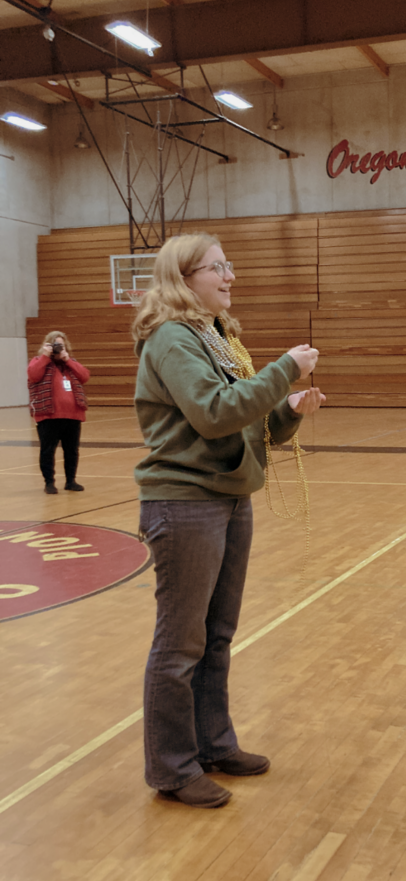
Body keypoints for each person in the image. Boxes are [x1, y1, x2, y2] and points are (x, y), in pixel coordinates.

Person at [132, 233, 324, 809]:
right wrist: (285, 370)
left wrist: (285, 411)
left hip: (228, 495)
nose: (230, 276)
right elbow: (215, 415)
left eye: (228, 265)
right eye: (217, 267)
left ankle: (213, 744)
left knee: (216, 636)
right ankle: (171, 768)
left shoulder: (216, 337)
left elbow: (245, 420)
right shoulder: (171, 339)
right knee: (181, 641)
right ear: (184, 277)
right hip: (185, 501)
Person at [28, 330, 91, 494]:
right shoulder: (38, 361)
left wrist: (67, 359)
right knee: (47, 450)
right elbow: (33, 375)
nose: (58, 348)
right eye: (55, 345)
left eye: (60, 345)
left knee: (71, 450)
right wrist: (45, 355)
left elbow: (84, 376)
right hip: (48, 416)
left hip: (72, 416)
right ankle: (49, 482)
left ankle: (71, 481)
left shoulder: (70, 363)